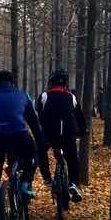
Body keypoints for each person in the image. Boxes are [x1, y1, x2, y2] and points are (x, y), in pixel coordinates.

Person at [0, 70, 46, 220]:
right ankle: (25, 183)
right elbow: (33, 122)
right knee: (33, 153)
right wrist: (41, 142)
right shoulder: (23, 95)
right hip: (18, 136)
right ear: (12, 82)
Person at [35, 69, 86, 202]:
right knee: (72, 156)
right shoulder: (71, 96)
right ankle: (74, 183)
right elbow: (79, 116)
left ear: (51, 82)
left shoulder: (44, 96)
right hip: (69, 132)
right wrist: (83, 130)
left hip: (49, 132)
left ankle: (47, 178)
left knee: (41, 151)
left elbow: (39, 113)